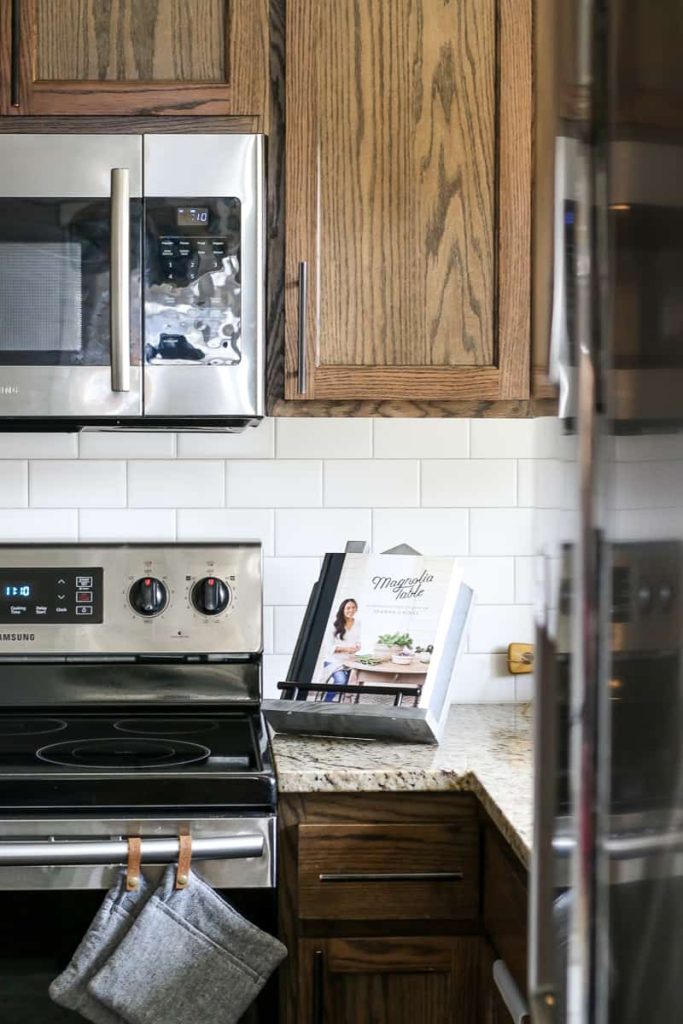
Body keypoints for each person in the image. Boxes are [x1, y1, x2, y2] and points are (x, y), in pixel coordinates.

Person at [317, 598, 361, 702]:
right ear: (342, 609)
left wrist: (358, 646)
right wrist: (346, 649)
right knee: (341, 681)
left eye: (353, 607)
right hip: (334, 661)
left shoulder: (358, 623)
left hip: (349, 661)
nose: (351, 610)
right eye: (348, 608)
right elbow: (329, 647)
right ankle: (326, 702)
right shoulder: (333, 625)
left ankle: (347, 703)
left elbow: (357, 640)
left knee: (353, 681)